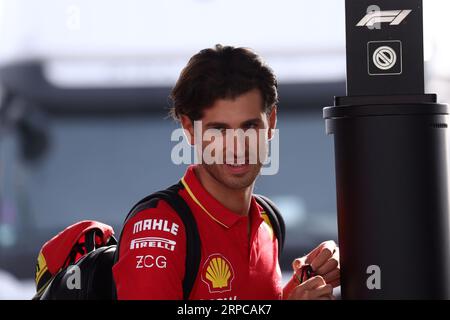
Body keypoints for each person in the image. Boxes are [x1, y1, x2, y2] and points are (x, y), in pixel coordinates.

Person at [112, 44, 340, 300]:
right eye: (219, 129)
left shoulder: (269, 221)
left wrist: (308, 279)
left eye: (250, 125)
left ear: (271, 122)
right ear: (189, 129)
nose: (237, 146)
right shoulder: (158, 228)